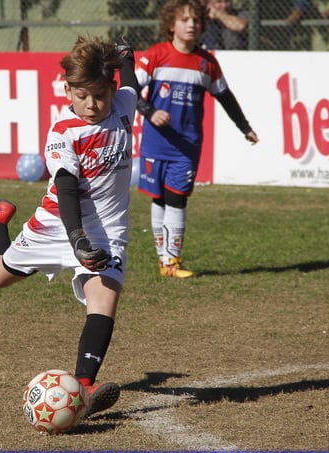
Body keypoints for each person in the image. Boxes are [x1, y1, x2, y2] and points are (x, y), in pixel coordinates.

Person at [0, 36, 141, 416]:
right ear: (67, 89)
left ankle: (83, 388)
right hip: (56, 224)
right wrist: (76, 238)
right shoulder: (63, 132)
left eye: (99, 94)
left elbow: (132, 83)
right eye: (82, 95)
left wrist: (127, 57)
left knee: (105, 297)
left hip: (107, 232)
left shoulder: (124, 106)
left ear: (111, 89)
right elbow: (65, 188)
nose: (92, 104)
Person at [135, 0, 258, 279]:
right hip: (155, 142)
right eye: (184, 20)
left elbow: (225, 97)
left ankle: (173, 262)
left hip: (187, 145)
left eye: (196, 21)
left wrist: (244, 127)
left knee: (177, 199)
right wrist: (150, 111)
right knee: (159, 199)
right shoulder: (156, 56)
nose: (191, 25)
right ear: (171, 25)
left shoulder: (207, 63)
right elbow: (129, 89)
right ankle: (162, 261)